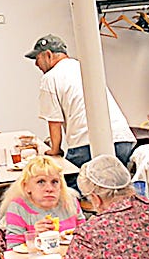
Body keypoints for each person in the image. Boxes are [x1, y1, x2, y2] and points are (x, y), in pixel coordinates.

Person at [26, 35, 135, 168]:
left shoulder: (50, 77)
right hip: (122, 139)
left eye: (37, 59)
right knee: (112, 185)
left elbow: (54, 121)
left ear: (48, 55)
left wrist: (54, 150)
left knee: (70, 185)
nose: (36, 64)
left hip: (87, 144)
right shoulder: (83, 67)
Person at [0, 155, 83, 251]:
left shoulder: (70, 200)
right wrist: (34, 236)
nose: (49, 189)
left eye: (55, 182)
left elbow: (84, 236)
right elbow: (13, 249)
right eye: (41, 182)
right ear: (26, 186)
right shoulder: (18, 207)